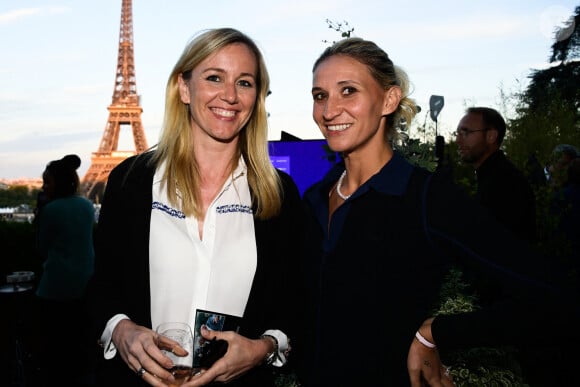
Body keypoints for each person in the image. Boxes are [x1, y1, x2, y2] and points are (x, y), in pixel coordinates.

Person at [297, 37, 579, 387]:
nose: (328, 110)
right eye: (320, 95)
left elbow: (555, 293)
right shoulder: (312, 199)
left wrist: (438, 332)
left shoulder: (427, 198)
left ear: (388, 100)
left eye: (348, 91)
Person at [84, 28, 303, 387]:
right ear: (184, 88)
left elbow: (294, 301)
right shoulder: (132, 181)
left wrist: (264, 347)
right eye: (214, 77)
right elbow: (102, 284)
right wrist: (120, 330)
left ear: (257, 97)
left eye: (245, 83)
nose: (230, 95)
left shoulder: (277, 195)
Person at [34, 154, 96, 386]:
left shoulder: (51, 210)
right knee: (79, 344)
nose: (43, 187)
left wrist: (40, 212)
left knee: (54, 346)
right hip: (84, 284)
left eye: (47, 182)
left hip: (56, 286)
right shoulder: (87, 206)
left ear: (57, 183)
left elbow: (41, 248)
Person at [454, 107, 537, 242]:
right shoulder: (495, 175)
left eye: (466, 132)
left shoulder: (505, 183)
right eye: (457, 133)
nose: (458, 140)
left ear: (491, 136)